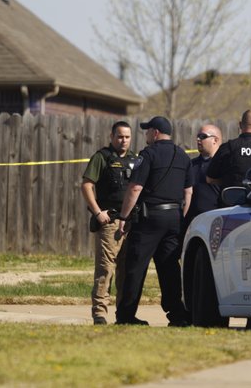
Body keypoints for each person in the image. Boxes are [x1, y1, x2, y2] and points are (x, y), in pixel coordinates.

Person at [116, 116, 193, 326]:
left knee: (136, 267)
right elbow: (188, 193)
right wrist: (179, 217)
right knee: (169, 268)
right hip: (174, 218)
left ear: (155, 133)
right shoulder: (183, 156)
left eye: (147, 131)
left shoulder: (148, 154)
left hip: (149, 218)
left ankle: (126, 315)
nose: (145, 134)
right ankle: (177, 315)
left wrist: (123, 217)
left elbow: (135, 188)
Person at [81, 121, 136, 325]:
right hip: (110, 222)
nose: (124, 140)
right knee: (106, 268)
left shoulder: (135, 159)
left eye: (127, 137)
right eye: (120, 136)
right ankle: (100, 314)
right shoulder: (101, 157)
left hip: (130, 223)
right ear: (112, 136)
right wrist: (97, 212)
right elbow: (86, 185)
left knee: (126, 270)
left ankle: (123, 314)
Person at [206, 109, 251, 190]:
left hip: (233, 200)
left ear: (240, 125)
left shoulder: (228, 148)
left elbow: (210, 179)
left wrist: (229, 181)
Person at [182, 123, 223, 237]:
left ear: (215, 140)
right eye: (198, 136)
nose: (198, 139)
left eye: (203, 136)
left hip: (216, 223)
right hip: (192, 224)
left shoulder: (225, 164)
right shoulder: (191, 165)